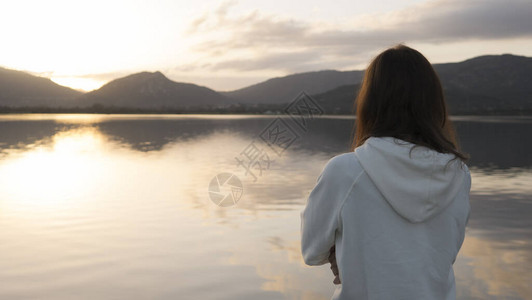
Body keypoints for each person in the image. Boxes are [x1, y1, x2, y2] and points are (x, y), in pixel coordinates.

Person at [300, 44, 471, 300]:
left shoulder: (345, 171)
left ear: (370, 101)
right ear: (433, 103)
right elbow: (444, 253)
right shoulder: (458, 174)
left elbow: (311, 251)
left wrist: (343, 253)